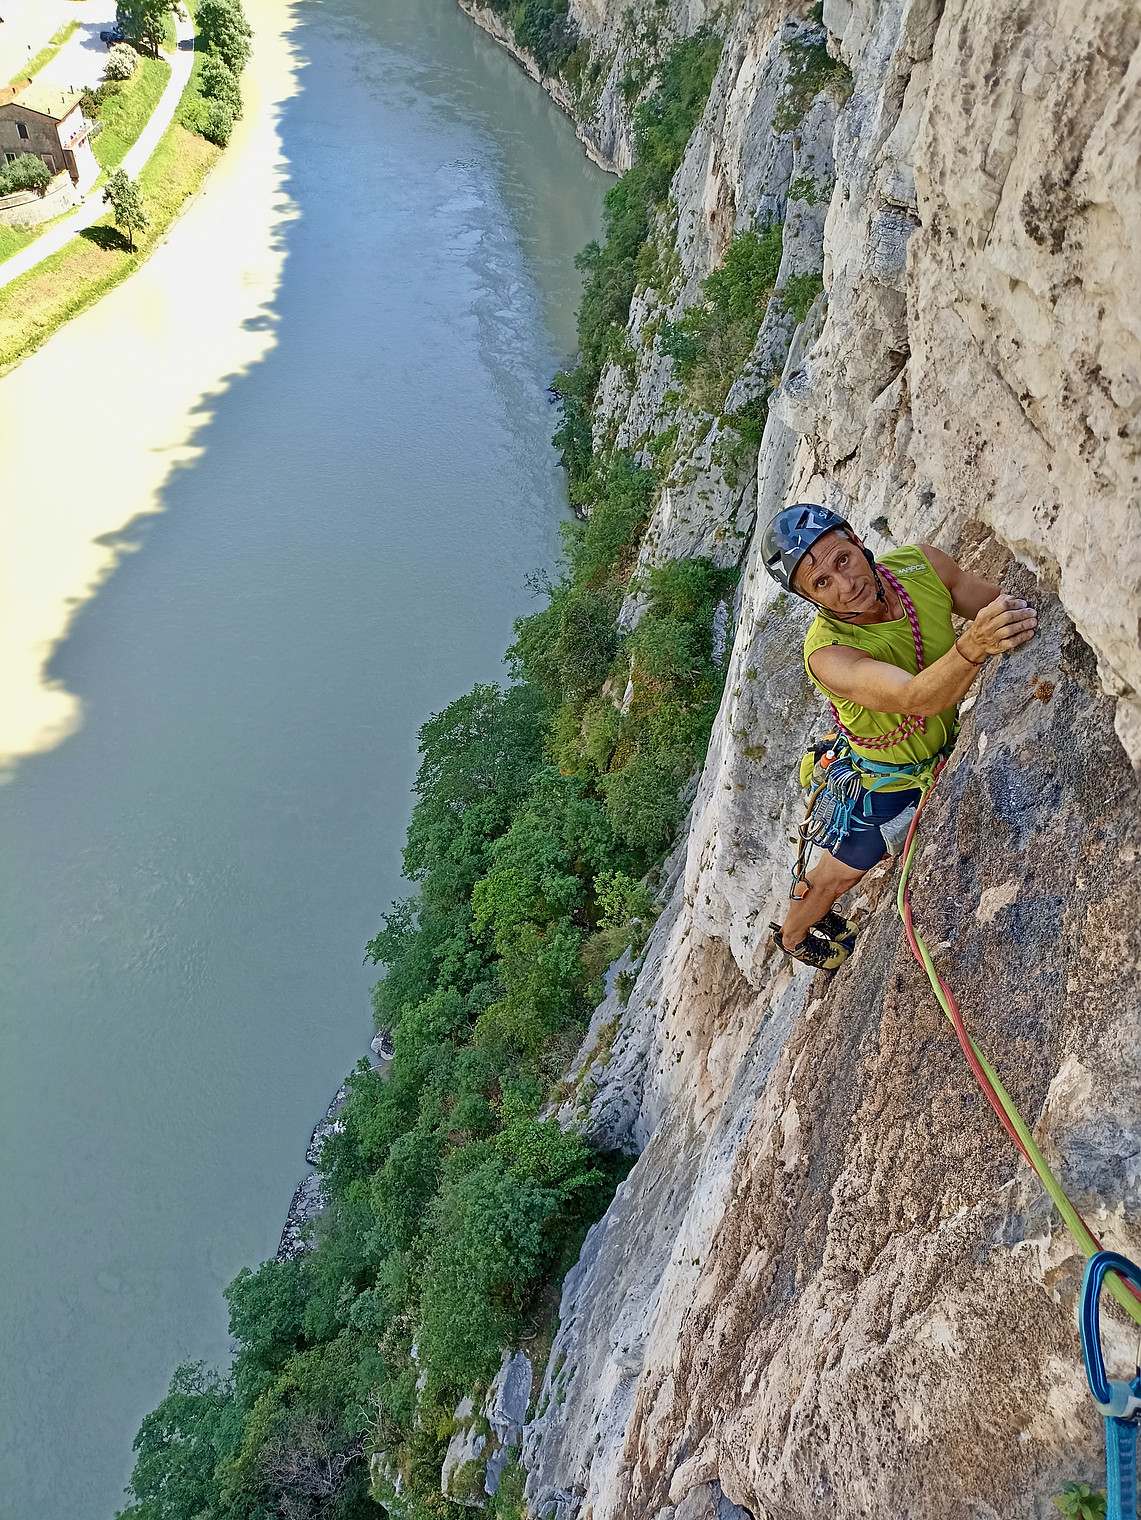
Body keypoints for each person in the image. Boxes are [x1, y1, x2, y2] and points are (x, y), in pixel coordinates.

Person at [761, 504, 1037, 971]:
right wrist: (974, 644)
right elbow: (914, 698)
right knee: (838, 877)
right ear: (809, 598)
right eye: (822, 582)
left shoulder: (920, 565)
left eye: (843, 559)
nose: (846, 584)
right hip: (888, 780)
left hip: (935, 746)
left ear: (856, 539)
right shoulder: (828, 654)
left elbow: (997, 603)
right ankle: (792, 936)